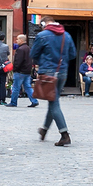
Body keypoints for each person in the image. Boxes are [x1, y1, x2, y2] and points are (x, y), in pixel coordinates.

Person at [32, 18, 77, 147]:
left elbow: (34, 54)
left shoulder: (42, 35)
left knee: (54, 102)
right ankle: (44, 130)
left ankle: (64, 134)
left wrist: (42, 62)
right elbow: (73, 54)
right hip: (62, 72)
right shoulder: (66, 35)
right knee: (53, 99)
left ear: (44, 24)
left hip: (48, 72)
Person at [9, 33, 33, 108]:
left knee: (16, 87)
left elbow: (18, 61)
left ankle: (13, 102)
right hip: (27, 71)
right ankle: (34, 100)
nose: (16, 41)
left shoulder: (20, 49)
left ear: (21, 40)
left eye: (17, 39)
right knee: (28, 87)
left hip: (20, 72)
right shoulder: (28, 48)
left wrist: (15, 69)